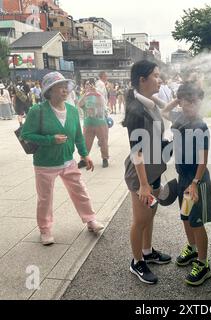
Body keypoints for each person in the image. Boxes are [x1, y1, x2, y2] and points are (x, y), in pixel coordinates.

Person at [21, 72, 104, 246]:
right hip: (45, 163)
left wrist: (84, 154)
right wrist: (50, 140)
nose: (64, 90)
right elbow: (26, 134)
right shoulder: (38, 110)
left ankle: (90, 220)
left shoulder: (73, 110)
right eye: (60, 87)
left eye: (65, 86)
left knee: (80, 191)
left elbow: (78, 137)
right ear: (49, 91)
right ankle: (45, 229)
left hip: (68, 161)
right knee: (45, 198)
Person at [123, 60, 171, 285]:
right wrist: (143, 184)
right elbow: (137, 151)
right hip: (140, 173)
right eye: (156, 76)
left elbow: (166, 111)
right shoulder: (136, 110)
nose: (159, 80)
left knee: (151, 213)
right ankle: (136, 261)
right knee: (140, 219)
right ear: (142, 80)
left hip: (154, 169)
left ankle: (148, 251)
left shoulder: (149, 102)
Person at [171, 82, 211, 286]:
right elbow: (163, 110)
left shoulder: (201, 126)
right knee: (186, 218)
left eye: (194, 101)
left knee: (197, 222)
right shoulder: (179, 118)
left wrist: (195, 183)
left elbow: (203, 160)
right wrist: (178, 99)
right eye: (186, 101)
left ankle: (203, 264)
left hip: (196, 180)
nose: (190, 106)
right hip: (184, 179)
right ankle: (192, 248)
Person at [77, 79, 110, 169]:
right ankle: (83, 160)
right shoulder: (84, 96)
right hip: (88, 124)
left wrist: (95, 92)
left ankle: (105, 159)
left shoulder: (99, 95)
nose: (89, 86)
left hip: (100, 123)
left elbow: (103, 103)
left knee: (103, 142)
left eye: (91, 84)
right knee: (85, 143)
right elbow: (79, 104)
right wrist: (86, 94)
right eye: (87, 84)